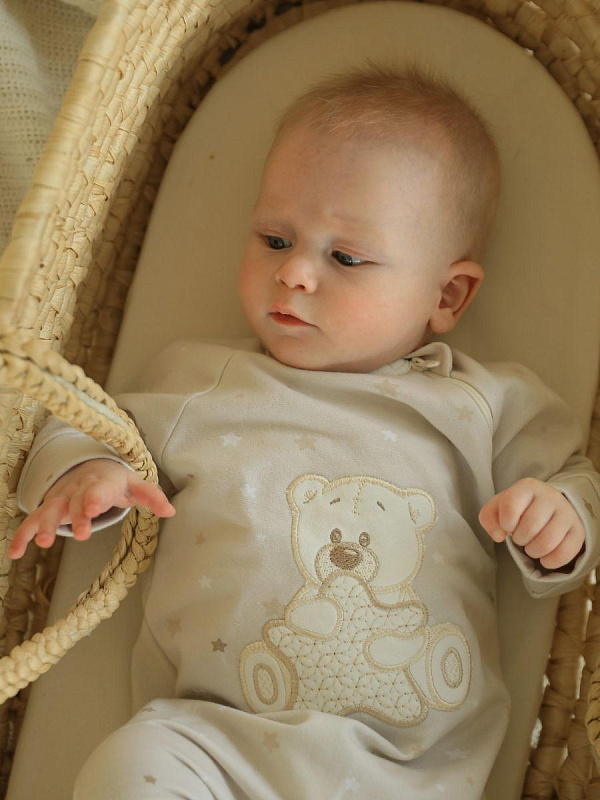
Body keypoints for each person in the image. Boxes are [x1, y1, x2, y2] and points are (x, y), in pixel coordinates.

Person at [10, 63, 600, 800]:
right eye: (274, 238)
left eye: (345, 257)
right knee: (124, 766)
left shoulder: (479, 405)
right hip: (212, 740)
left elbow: (577, 482)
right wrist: (85, 472)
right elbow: (78, 423)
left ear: (447, 294)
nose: (294, 274)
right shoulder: (201, 383)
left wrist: (559, 515)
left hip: (408, 771)